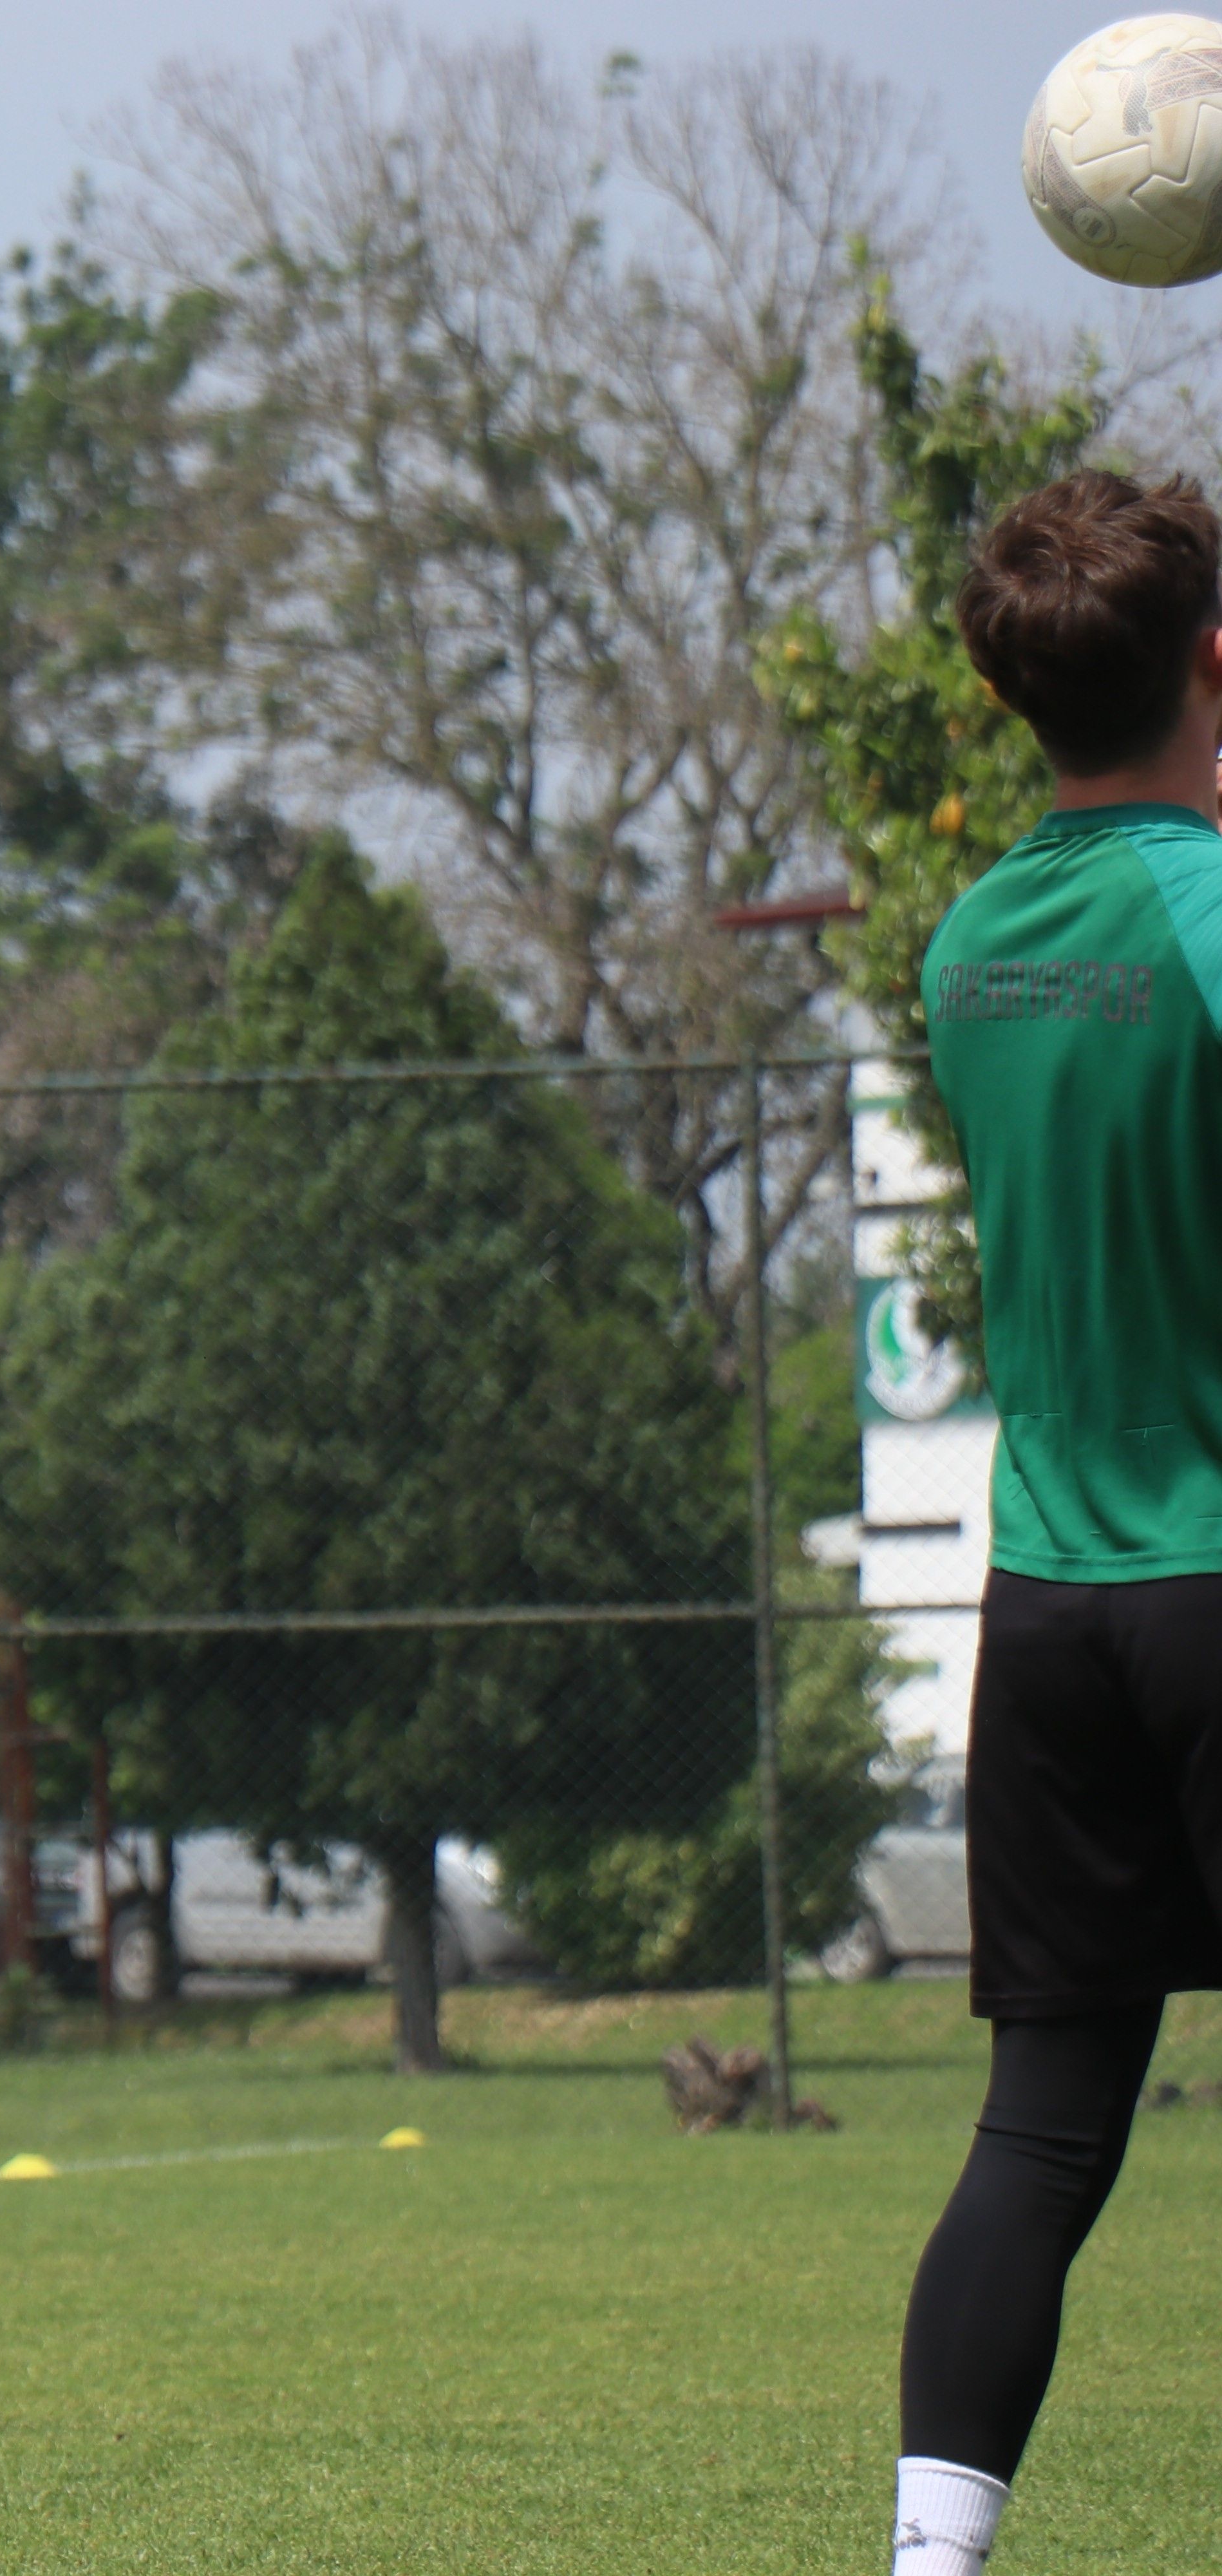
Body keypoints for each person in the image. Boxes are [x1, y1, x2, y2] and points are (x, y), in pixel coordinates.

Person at [891, 466, 1222, 2575]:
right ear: (1212, 665)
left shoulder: (971, 941)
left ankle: (934, 2566)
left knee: (1042, 2131)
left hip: (1057, 1603)